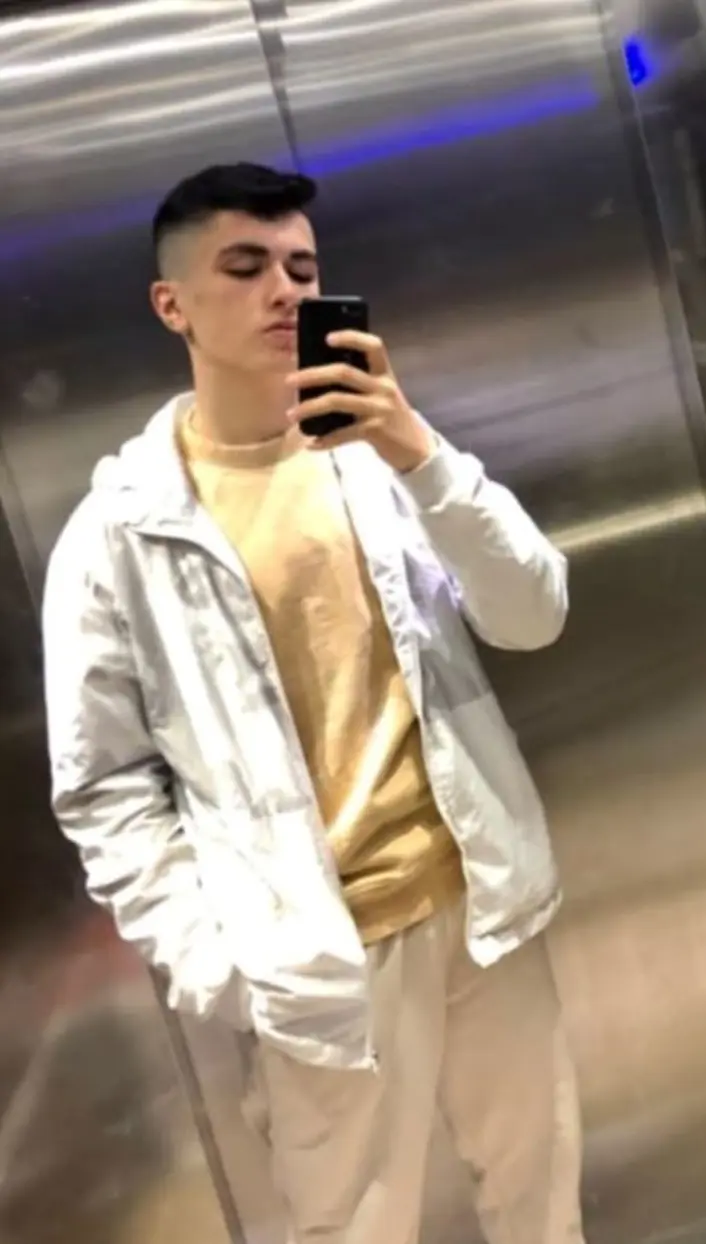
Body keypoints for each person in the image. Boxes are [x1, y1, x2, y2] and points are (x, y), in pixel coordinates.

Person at [42, 162, 585, 1244]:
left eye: (301, 267)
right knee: (350, 1229)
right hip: (321, 965)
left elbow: (533, 613)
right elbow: (104, 788)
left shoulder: (382, 460)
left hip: (480, 904)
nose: (283, 290)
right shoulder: (118, 536)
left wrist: (418, 450)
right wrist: (221, 964)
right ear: (172, 305)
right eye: (244, 267)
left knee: (540, 1200)